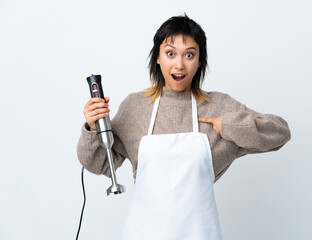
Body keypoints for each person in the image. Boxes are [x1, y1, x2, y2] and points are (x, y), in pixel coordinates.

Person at [77, 14, 291, 240]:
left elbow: (280, 133)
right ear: (157, 58)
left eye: (189, 55)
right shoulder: (135, 107)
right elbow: (99, 164)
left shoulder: (219, 106)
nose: (179, 65)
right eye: (170, 54)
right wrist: (92, 128)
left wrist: (229, 125)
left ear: (199, 61)